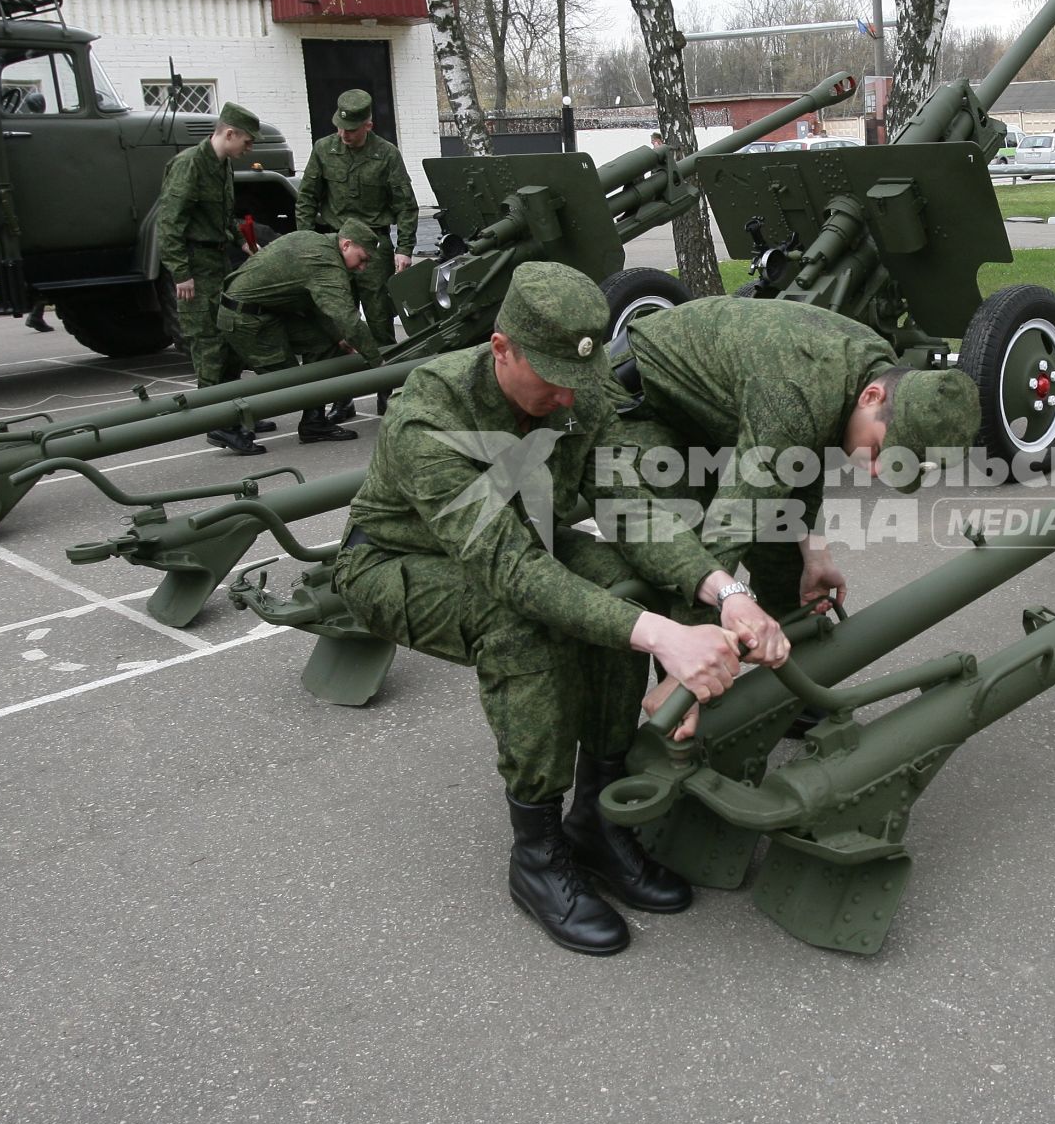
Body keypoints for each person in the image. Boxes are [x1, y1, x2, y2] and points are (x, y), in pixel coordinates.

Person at [332, 262, 791, 956]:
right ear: (500, 349)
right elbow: (512, 573)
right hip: (400, 559)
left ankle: (599, 823)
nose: (564, 394)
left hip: (525, 538)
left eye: (574, 378)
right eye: (546, 375)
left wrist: (723, 591)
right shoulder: (433, 413)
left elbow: (631, 509)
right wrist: (664, 638)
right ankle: (538, 855)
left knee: (619, 586)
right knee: (527, 629)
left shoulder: (579, 388)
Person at [617, 295, 981, 623]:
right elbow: (730, 528)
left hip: (713, 412)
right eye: (878, 452)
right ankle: (687, 689)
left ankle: (791, 689)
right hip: (638, 396)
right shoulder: (799, 392)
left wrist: (815, 552)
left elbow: (803, 451)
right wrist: (700, 635)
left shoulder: (872, 367)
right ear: (872, 397)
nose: (873, 471)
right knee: (688, 561)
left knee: (787, 567)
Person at [295, 88, 418, 424]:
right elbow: (306, 198)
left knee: (379, 322)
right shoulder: (324, 150)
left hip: (375, 249)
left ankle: (387, 394)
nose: (343, 134)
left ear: (368, 125)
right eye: (339, 127)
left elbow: (405, 205)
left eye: (350, 129)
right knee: (336, 323)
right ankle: (341, 399)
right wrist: (306, 241)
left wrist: (405, 248)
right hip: (334, 246)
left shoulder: (387, 155)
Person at [216, 218, 382, 445]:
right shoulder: (325, 262)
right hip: (246, 318)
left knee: (323, 345)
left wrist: (338, 337)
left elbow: (317, 305)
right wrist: (378, 363)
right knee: (290, 381)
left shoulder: (318, 242)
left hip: (265, 312)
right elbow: (348, 318)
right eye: (362, 259)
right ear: (346, 245)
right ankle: (223, 425)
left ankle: (314, 423)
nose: (362, 267)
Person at [157, 101, 262, 455]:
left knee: (229, 335)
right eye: (246, 142)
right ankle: (216, 425)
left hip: (217, 261)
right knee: (207, 343)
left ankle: (231, 409)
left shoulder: (221, 167)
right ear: (228, 133)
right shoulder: (190, 165)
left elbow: (222, 217)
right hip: (195, 265)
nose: (248, 150)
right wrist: (181, 273)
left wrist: (242, 243)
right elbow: (169, 222)